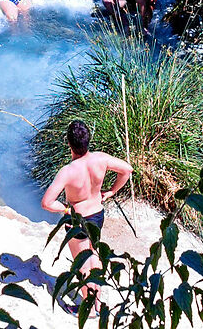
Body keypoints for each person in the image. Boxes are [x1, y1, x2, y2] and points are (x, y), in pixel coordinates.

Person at [41, 120, 132, 291]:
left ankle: (88, 309)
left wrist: (66, 209)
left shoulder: (67, 171)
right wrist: (112, 191)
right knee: (94, 256)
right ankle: (97, 303)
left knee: (82, 264)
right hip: (98, 214)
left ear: (69, 143)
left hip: (78, 220)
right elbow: (127, 170)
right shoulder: (101, 158)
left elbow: (47, 203)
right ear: (88, 140)